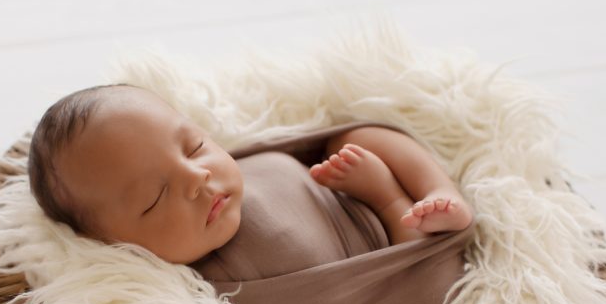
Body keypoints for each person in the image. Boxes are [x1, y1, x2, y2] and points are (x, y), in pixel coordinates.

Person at [28, 83, 474, 267]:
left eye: (194, 146)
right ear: (112, 245)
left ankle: (440, 192)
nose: (197, 177)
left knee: (359, 135)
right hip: (394, 249)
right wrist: (385, 199)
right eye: (155, 197)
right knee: (419, 258)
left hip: (333, 182)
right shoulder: (220, 286)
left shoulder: (227, 173)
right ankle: (405, 206)